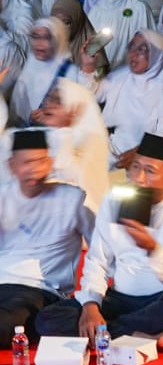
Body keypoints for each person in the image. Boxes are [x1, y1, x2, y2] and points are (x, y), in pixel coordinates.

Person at [34, 133, 163, 349]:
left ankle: (111, 333)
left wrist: (152, 249)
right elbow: (98, 259)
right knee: (48, 319)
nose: (139, 178)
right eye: (135, 167)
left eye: (150, 171)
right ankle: (142, 334)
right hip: (120, 299)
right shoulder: (116, 198)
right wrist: (90, 306)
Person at [0, 129, 95, 341]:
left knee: (6, 323)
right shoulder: (3, 197)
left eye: (40, 161)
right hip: (2, 281)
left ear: (50, 163)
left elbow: (100, 249)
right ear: (12, 166)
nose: (34, 170)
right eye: (26, 163)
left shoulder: (72, 200)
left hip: (40, 290)